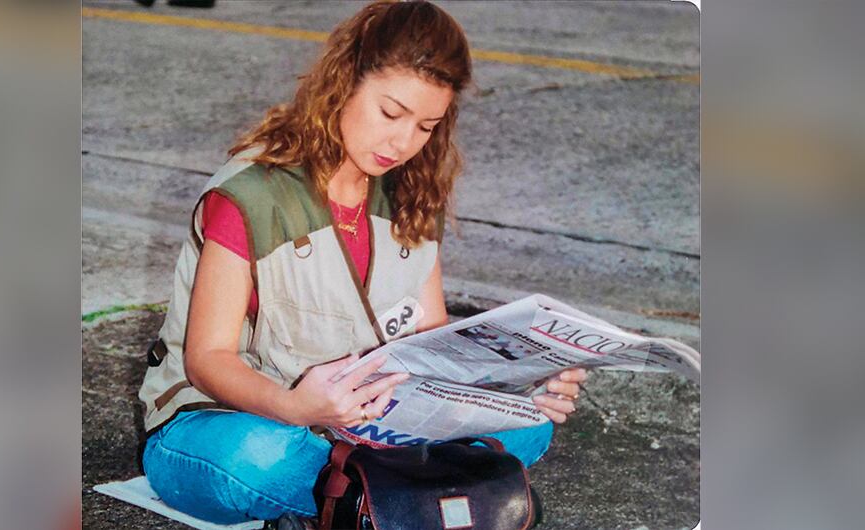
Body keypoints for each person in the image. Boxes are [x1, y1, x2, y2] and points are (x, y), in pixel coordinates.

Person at [137, 1, 588, 525]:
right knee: (256, 459)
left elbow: (432, 335)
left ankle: (366, 498)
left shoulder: (413, 192)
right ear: (344, 82)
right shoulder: (253, 193)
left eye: (426, 126)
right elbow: (207, 360)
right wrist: (297, 409)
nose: (402, 143)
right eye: (390, 113)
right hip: (234, 418)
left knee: (532, 425)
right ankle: (422, 493)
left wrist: (521, 381)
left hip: (367, 425)